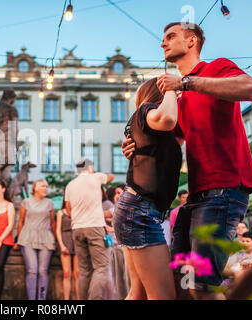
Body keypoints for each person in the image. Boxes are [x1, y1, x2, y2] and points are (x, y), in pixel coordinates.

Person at [122, 22, 252, 299]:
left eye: (170, 36)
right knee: (183, 282)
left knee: (203, 286)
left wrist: (185, 82)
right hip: (195, 199)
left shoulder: (216, 68)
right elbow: (166, 146)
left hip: (224, 191)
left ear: (192, 41)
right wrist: (136, 147)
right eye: (162, 38)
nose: (163, 43)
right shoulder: (178, 101)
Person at [114, 76, 181, 300]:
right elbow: (169, 118)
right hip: (139, 211)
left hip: (135, 210)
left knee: (139, 293)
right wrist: (172, 88)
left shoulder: (151, 127)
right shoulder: (147, 109)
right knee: (162, 297)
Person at [64, 158, 115, 300]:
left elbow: (68, 211)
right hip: (94, 227)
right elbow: (111, 176)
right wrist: (96, 173)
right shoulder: (95, 178)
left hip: (77, 228)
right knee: (101, 267)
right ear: (90, 167)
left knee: (85, 270)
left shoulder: (70, 185)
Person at [15, 179, 56, 300]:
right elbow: (21, 222)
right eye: (43, 186)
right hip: (27, 237)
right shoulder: (26, 202)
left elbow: (53, 223)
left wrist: (57, 240)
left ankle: (41, 299)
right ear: (35, 188)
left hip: (46, 238)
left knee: (43, 271)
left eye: (46, 187)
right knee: (32, 270)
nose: (45, 188)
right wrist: (18, 239)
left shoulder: (49, 203)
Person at [106, 184, 131, 300]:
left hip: (128, 247)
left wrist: (109, 227)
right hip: (117, 247)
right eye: (116, 193)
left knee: (128, 278)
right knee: (118, 278)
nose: (117, 195)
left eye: (119, 192)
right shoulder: (116, 208)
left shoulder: (125, 207)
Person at [56, 196, 79, 300]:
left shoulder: (78, 211)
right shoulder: (61, 212)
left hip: (77, 242)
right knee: (66, 273)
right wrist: (61, 245)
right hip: (65, 241)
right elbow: (57, 230)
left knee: (77, 273)